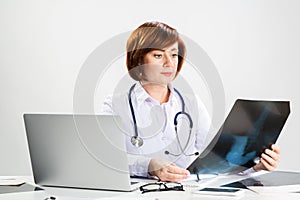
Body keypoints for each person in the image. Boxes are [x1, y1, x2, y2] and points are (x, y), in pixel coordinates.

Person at [100, 21, 280, 182]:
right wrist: (149, 165)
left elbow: (215, 162)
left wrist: (255, 167)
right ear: (139, 59)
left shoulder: (191, 104)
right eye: (158, 55)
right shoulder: (115, 105)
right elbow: (104, 159)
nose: (169, 63)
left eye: (174, 55)